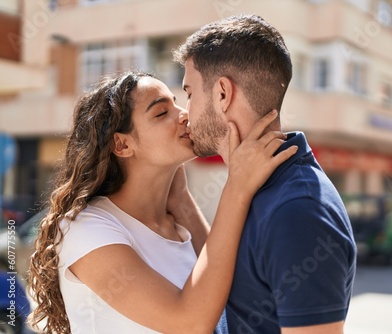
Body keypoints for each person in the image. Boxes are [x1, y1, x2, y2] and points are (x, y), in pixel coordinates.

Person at [27, 70, 297, 334]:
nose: (185, 115)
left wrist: (182, 202)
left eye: (178, 102)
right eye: (161, 113)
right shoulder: (88, 229)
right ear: (121, 145)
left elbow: (234, 295)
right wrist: (236, 187)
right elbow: (189, 323)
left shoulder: (179, 223)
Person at [174, 14, 357, 334]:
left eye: (189, 93)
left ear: (221, 94)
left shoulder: (296, 210)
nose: (185, 111)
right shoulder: (258, 186)